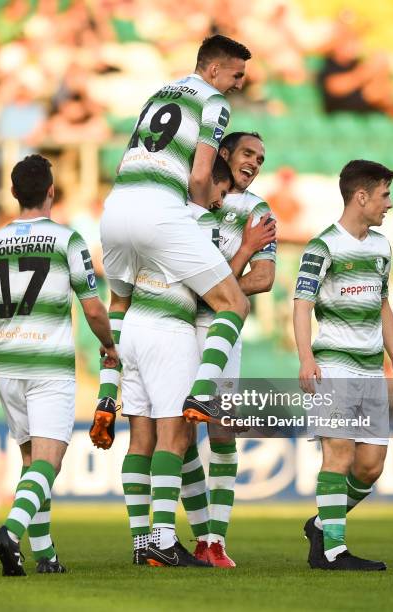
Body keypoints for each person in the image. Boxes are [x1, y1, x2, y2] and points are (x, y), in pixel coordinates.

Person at [0, 154, 118, 576]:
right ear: (50, 192)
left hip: (7, 366)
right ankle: (11, 530)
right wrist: (109, 345)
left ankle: (45, 556)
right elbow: (95, 310)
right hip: (48, 366)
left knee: (31, 464)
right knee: (50, 462)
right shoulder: (68, 240)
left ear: (12, 194)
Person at [92, 35, 253, 455]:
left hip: (115, 209)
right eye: (236, 75)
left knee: (121, 304)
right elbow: (201, 175)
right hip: (160, 211)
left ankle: (108, 392)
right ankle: (202, 392)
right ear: (214, 69)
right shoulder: (214, 102)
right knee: (233, 304)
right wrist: (199, 216)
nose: (238, 84)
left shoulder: (158, 93)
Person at [293, 159, 393, 571]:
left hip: (370, 370)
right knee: (339, 454)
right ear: (361, 196)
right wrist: (306, 358)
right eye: (384, 195)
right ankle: (333, 551)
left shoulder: (382, 246)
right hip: (334, 366)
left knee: (370, 466)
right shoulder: (323, 246)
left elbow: (382, 305)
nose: (390, 204)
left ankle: (321, 525)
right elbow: (302, 305)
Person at [117, 156, 236, 568]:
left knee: (140, 440)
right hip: (168, 331)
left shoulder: (146, 223)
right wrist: (249, 248)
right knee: (177, 438)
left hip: (133, 326)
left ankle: (140, 541)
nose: (222, 201)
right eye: (222, 192)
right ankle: (164, 540)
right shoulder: (196, 225)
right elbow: (218, 290)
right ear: (208, 184)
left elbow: (120, 289)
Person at [182, 131, 277, 568]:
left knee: (222, 431)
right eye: (247, 153)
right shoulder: (191, 197)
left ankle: (214, 540)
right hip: (178, 327)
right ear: (224, 154)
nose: (254, 163)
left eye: (260, 158)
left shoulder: (258, 210)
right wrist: (233, 265)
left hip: (225, 328)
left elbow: (264, 279)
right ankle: (196, 533)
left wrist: (209, 292)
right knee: (178, 433)